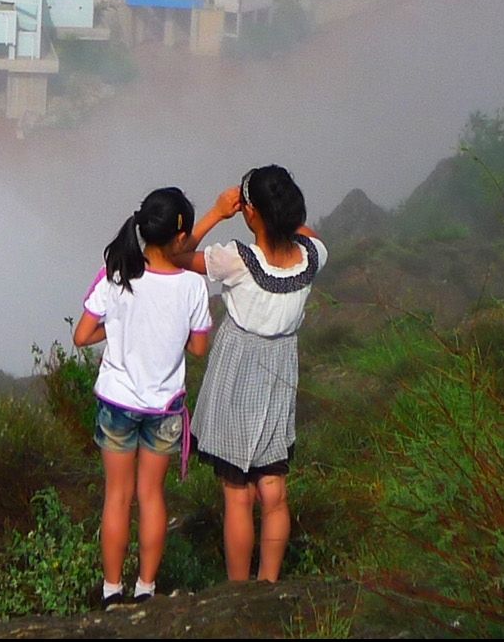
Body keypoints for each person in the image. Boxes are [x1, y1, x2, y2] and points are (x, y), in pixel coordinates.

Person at [73, 187, 212, 607]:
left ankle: (112, 590)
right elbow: (199, 347)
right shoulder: (192, 286)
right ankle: (147, 588)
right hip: (164, 408)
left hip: (117, 403)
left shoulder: (118, 274)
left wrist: (114, 331)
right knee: (152, 496)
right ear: (182, 232)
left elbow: (81, 336)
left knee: (117, 496)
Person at [187, 164, 326, 583]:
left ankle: (238, 589)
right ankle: (269, 583)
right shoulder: (314, 257)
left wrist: (215, 212)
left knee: (238, 494)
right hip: (280, 374)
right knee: (273, 490)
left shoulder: (237, 260)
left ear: (250, 213)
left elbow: (174, 256)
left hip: (237, 373)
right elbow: (308, 234)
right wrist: (275, 208)